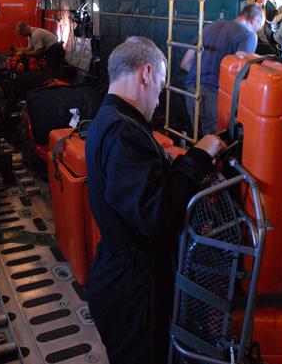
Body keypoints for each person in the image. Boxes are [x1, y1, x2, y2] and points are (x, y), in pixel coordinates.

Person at [85, 36, 225, 364]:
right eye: (160, 87)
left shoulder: (108, 120)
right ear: (146, 73)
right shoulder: (124, 132)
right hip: (135, 291)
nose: (159, 100)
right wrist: (198, 157)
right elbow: (155, 213)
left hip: (122, 276)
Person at [181, 4, 264, 136]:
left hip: (191, 92)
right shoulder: (249, 35)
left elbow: (185, 63)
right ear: (254, 21)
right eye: (259, 27)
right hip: (215, 97)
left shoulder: (209, 27)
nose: (258, 32)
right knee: (214, 148)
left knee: (198, 144)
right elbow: (239, 72)